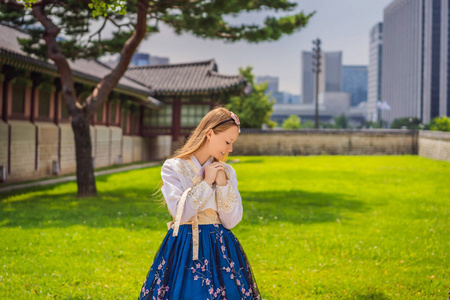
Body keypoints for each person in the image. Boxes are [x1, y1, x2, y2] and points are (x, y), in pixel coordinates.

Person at [138, 107, 261, 300]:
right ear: (210, 133)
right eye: (228, 142)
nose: (230, 149)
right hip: (184, 245)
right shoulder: (173, 167)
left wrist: (222, 184)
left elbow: (231, 221)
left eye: (232, 143)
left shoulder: (227, 172)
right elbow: (181, 213)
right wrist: (206, 183)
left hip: (220, 246)